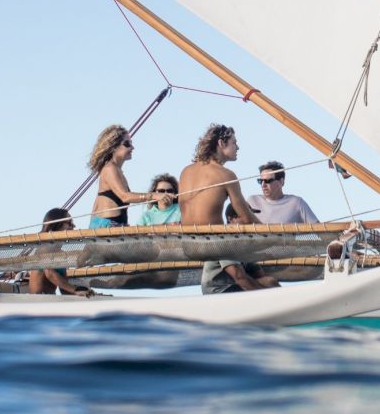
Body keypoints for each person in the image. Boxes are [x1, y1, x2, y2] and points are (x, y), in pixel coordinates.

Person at [179, 123, 279, 293]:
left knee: (266, 279)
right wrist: (273, 233)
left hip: (188, 243)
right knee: (261, 276)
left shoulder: (186, 171)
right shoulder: (226, 175)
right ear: (221, 143)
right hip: (214, 240)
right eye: (234, 142)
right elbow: (246, 218)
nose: (237, 147)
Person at [87, 124, 164, 226]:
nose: (132, 147)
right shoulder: (110, 169)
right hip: (106, 225)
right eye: (127, 144)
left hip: (115, 224)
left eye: (131, 143)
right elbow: (125, 197)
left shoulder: (117, 170)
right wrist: (154, 195)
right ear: (113, 147)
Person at [28, 207, 95, 297]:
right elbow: (50, 274)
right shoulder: (45, 248)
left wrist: (85, 293)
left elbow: (63, 285)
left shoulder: (61, 253)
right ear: (57, 225)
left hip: (49, 300)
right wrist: (75, 290)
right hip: (37, 301)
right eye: (70, 223)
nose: (74, 226)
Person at [247, 161, 320, 226]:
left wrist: (299, 239)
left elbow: (319, 231)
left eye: (268, 181)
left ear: (281, 182)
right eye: (260, 181)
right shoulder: (252, 201)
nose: (263, 185)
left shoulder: (297, 202)